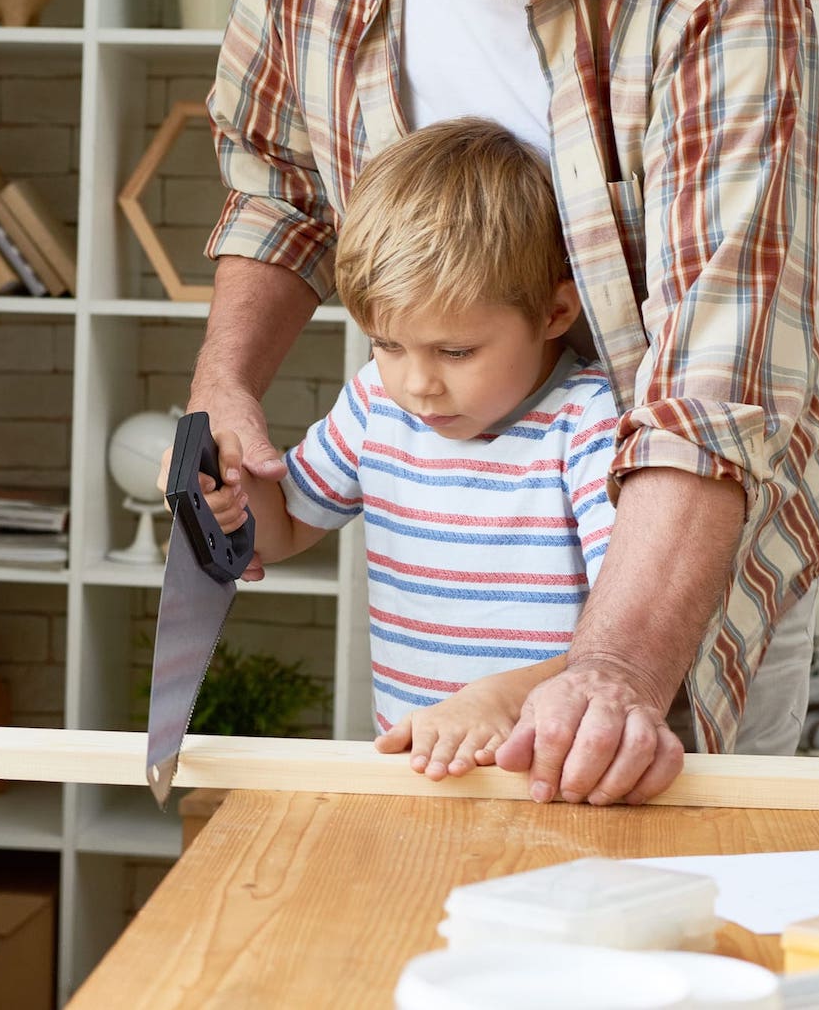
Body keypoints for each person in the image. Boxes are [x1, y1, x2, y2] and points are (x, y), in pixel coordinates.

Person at [187, 0, 819, 808]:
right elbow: (277, 180)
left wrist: (611, 669)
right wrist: (225, 388)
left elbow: (710, 384)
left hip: (671, 558)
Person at [202, 120, 637, 787]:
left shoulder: (586, 420)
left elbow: (628, 629)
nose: (418, 382)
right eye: (389, 342)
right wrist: (231, 495)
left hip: (550, 780)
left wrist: (499, 698)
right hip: (417, 774)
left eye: (455, 351)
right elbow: (284, 526)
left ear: (554, 312)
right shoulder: (379, 399)